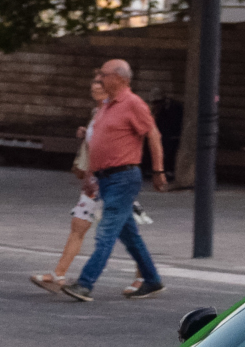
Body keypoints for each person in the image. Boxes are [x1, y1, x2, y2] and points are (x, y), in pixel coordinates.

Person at [62, 57, 168, 301]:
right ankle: (152, 280)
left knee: (106, 233)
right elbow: (97, 143)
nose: (99, 79)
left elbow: (153, 135)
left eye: (104, 74)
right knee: (129, 235)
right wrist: (91, 174)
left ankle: (85, 283)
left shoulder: (133, 104)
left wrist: (158, 170)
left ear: (120, 78)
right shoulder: (106, 105)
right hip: (105, 178)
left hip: (123, 177)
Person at [32, 73, 107, 294]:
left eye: (100, 83)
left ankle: (147, 275)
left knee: (125, 232)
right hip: (93, 181)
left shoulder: (114, 112)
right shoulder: (97, 112)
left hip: (108, 181)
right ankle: (59, 275)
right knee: (78, 226)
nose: (95, 86)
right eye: (94, 81)